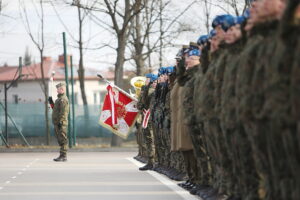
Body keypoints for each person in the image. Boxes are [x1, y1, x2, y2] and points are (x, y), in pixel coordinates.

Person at [49, 83, 69, 162]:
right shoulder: (59, 99)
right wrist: (51, 103)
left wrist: (61, 122)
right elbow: (55, 109)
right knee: (60, 140)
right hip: (57, 123)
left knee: (63, 139)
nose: (57, 90)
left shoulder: (63, 99)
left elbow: (64, 112)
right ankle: (62, 155)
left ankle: (63, 156)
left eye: (58, 89)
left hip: (61, 123)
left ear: (62, 90)